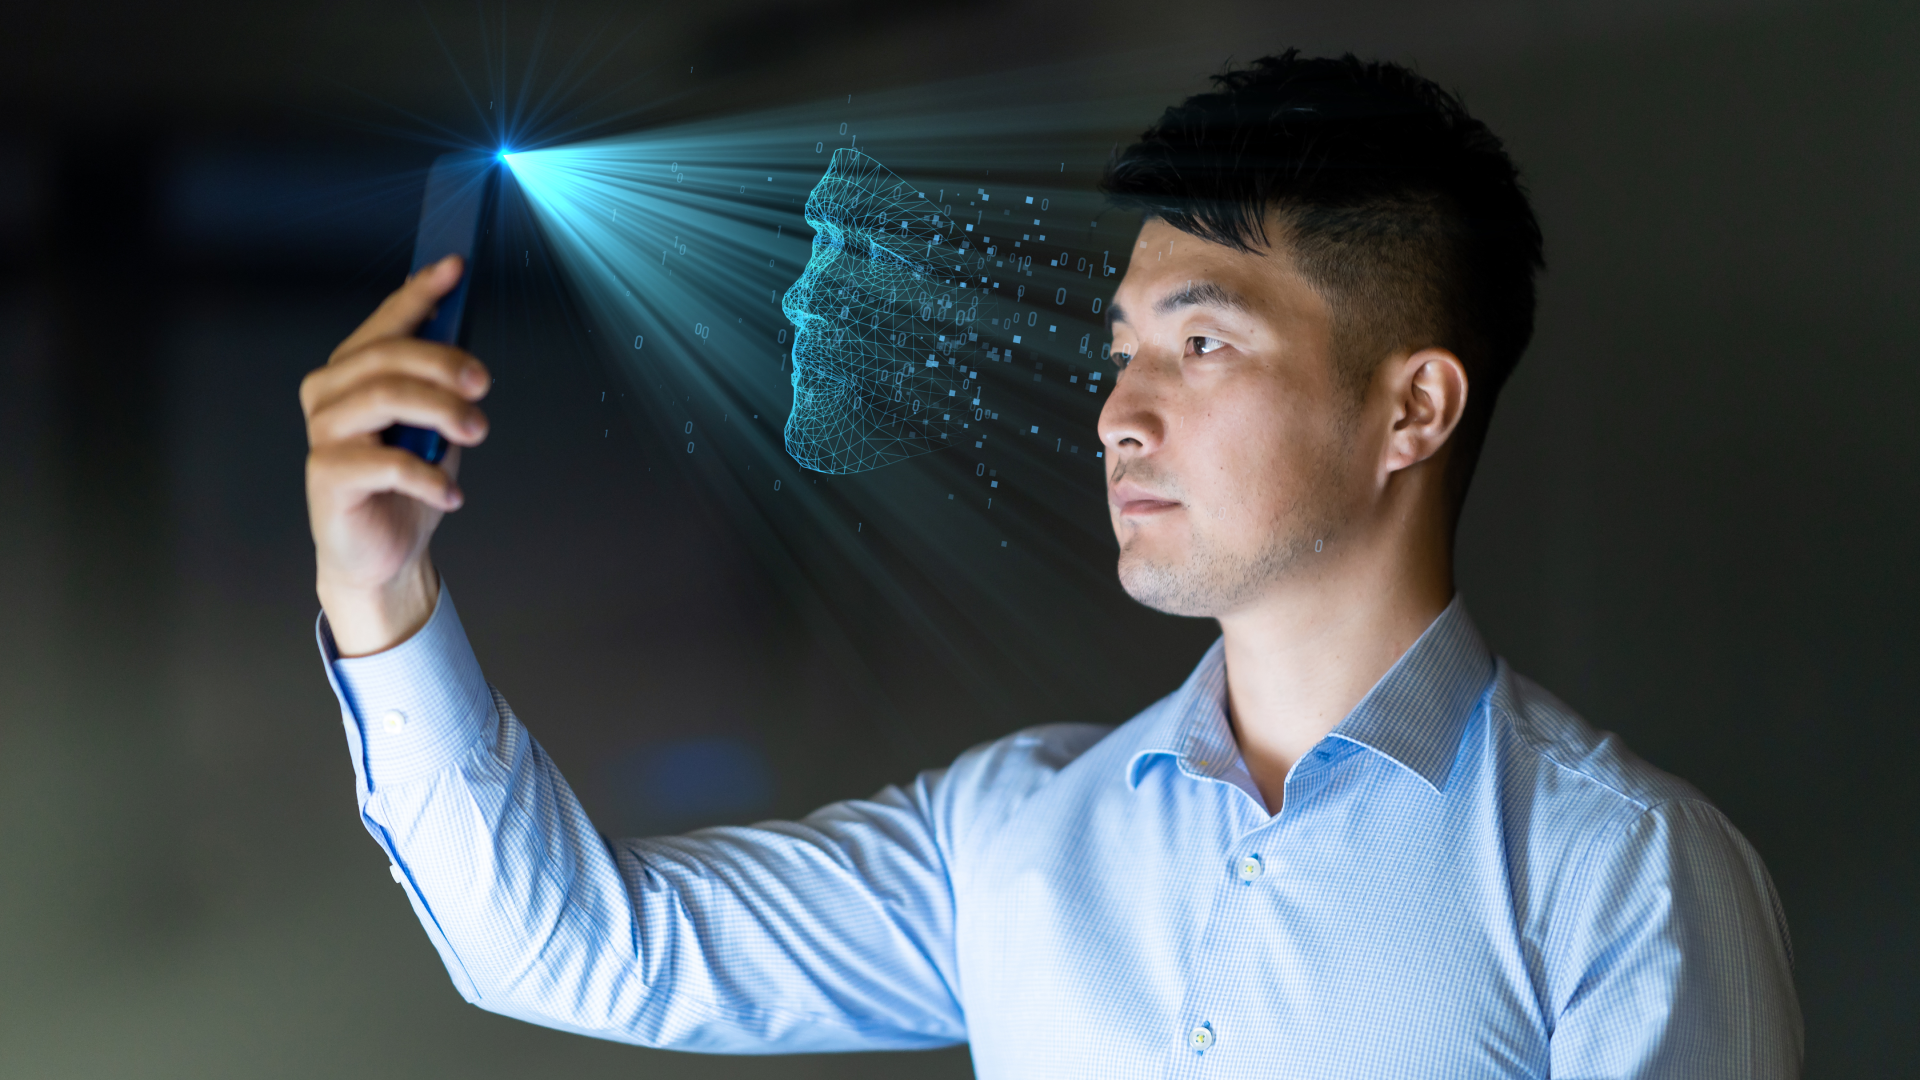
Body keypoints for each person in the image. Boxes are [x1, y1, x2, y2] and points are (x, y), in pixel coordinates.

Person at [301, 52, 1801, 1077]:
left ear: (1412, 406)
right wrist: (376, 590)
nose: (1118, 412)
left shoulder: (1625, 879)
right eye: (1122, 350)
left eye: (1202, 344)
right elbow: (572, 951)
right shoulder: (1012, 839)